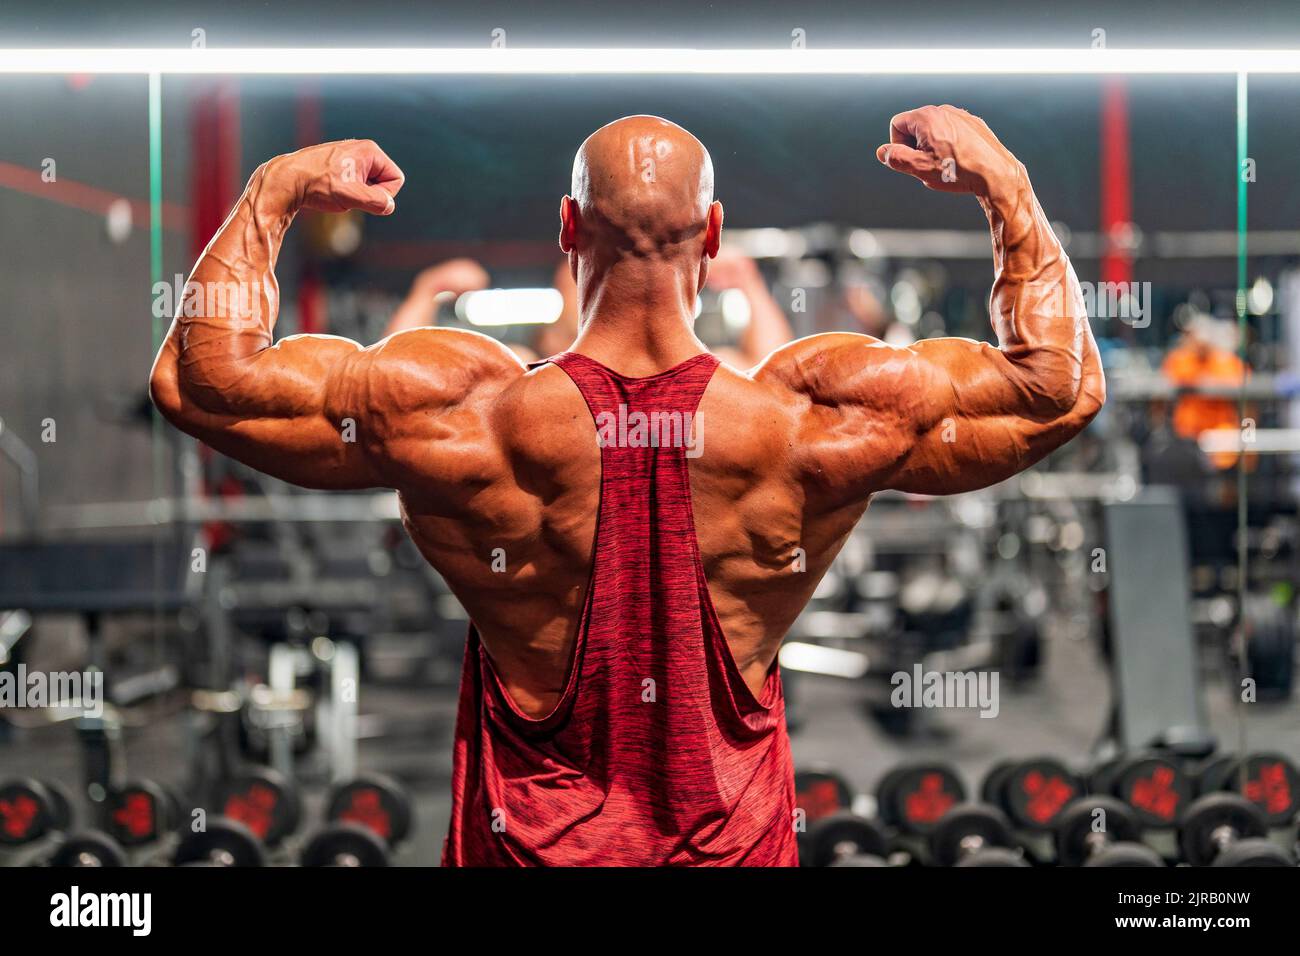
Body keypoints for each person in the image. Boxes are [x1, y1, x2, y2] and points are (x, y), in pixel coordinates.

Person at [149, 108, 1104, 866]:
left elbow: (198, 382)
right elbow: (1058, 388)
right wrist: (1006, 189)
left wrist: (271, 192)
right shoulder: (806, 420)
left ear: (568, 228)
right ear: (714, 235)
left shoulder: (466, 415)